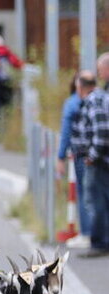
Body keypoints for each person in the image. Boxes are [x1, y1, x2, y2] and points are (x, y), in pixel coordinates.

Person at [73, 70, 109, 258]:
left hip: (97, 161)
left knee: (95, 202)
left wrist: (92, 156)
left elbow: (101, 130)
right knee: (102, 201)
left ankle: (99, 243)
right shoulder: (103, 97)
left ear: (81, 86)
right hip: (101, 160)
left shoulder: (93, 100)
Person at [56, 73, 91, 249]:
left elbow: (66, 132)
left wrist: (60, 157)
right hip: (98, 153)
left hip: (81, 154)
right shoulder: (100, 99)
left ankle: (86, 234)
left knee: (84, 194)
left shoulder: (71, 103)